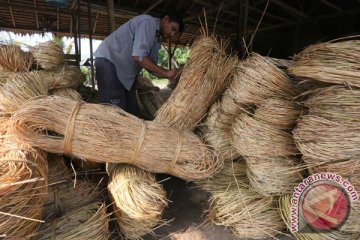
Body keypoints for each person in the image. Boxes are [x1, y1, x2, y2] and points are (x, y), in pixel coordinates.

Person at [94, 11, 184, 117]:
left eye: (175, 33)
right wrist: (166, 72)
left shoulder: (157, 39)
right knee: (116, 114)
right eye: (173, 29)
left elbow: (151, 66)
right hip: (110, 62)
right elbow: (138, 56)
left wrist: (172, 75)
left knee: (132, 112)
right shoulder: (148, 22)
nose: (173, 34)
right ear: (166, 20)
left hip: (125, 73)